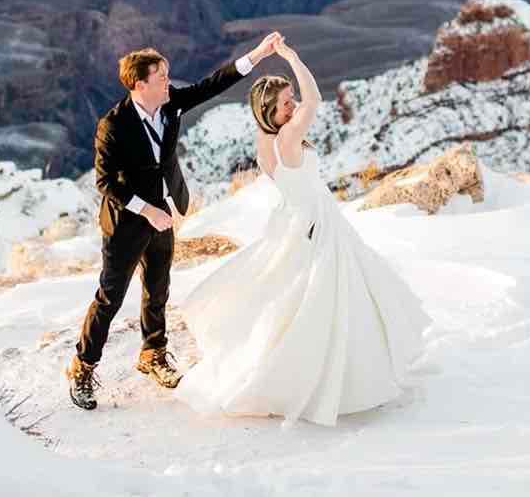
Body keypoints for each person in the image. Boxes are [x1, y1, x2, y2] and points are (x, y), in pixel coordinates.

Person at [176, 38, 431, 426]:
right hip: (316, 223)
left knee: (300, 299)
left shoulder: (265, 142)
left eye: (290, 99)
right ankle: (332, 377)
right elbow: (314, 101)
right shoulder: (288, 138)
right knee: (327, 299)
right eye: (285, 103)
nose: (293, 104)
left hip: (298, 219)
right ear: (270, 113)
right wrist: (292, 58)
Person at [67, 32, 284, 410]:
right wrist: (146, 209)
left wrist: (259, 55)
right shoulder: (112, 125)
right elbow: (104, 182)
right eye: (162, 77)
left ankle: (153, 354)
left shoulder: (170, 104)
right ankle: (83, 366)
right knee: (110, 297)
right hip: (127, 223)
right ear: (139, 84)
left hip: (164, 215)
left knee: (158, 288)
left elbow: (213, 84)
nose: (170, 82)